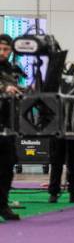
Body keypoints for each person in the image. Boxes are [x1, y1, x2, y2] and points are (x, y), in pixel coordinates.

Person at [0, 34, 24, 221]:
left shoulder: (11, 69)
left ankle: (3, 204)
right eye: (0, 49)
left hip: (7, 124)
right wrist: (3, 88)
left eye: (6, 49)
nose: (2, 52)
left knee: (8, 164)